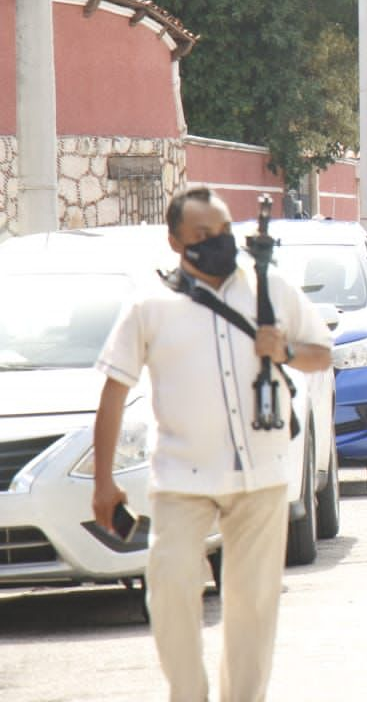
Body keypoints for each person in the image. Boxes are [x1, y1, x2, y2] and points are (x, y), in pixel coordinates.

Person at [91, 187, 334, 702]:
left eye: (223, 231)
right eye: (203, 235)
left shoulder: (270, 287)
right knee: (171, 593)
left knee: (253, 608)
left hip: (260, 476)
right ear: (176, 241)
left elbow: (320, 354)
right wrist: (104, 481)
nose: (218, 243)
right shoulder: (150, 306)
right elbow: (114, 391)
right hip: (181, 478)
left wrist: (284, 349)